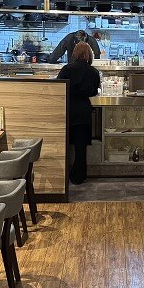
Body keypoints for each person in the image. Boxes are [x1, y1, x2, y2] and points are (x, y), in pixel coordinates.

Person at [57, 41, 100, 184]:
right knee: (80, 148)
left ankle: (61, 177)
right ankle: (78, 177)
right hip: (83, 110)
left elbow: (58, 88)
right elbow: (94, 92)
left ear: (74, 53)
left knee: (63, 145)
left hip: (67, 110)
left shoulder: (67, 69)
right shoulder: (93, 72)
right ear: (89, 54)